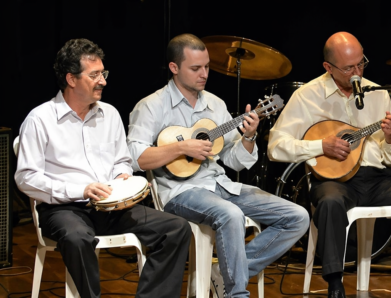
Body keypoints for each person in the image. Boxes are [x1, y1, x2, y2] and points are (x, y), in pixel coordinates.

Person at [268, 31, 391, 298]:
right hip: (331, 181)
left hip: (377, 180)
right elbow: (275, 146)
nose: (357, 72)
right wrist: (321, 146)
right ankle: (335, 284)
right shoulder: (306, 96)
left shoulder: (377, 94)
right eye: (348, 68)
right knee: (330, 203)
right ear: (328, 67)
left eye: (361, 63)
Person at [126, 33, 309, 298]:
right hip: (180, 192)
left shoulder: (216, 104)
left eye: (207, 67)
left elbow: (234, 159)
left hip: (221, 184)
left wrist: (248, 136)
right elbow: (134, 157)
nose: (204, 74)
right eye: (196, 68)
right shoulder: (151, 106)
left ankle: (224, 274)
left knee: (297, 217)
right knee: (230, 215)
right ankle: (236, 294)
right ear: (174, 68)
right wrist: (180, 147)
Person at [15, 38, 192, 298]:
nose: (103, 81)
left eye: (103, 73)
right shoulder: (40, 119)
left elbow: (122, 159)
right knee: (77, 238)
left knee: (176, 228)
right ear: (71, 79)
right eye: (94, 74)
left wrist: (123, 175)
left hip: (111, 205)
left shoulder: (109, 114)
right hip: (63, 209)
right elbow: (26, 178)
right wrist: (80, 189)